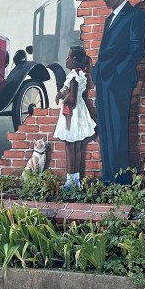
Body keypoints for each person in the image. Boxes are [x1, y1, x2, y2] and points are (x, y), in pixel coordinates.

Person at [91, 0, 145, 184]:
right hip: (104, 80)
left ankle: (120, 179)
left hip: (118, 81)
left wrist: (118, 75)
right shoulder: (110, 18)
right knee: (105, 127)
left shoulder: (135, 16)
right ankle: (108, 177)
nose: (105, 0)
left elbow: (136, 50)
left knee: (118, 128)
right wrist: (97, 72)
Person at [53, 45, 96, 189]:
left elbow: (71, 99)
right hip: (80, 111)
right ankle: (75, 180)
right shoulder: (80, 74)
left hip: (71, 112)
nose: (66, 60)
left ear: (74, 59)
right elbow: (72, 92)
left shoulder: (73, 76)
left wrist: (62, 98)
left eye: (68, 57)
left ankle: (70, 182)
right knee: (76, 147)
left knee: (69, 147)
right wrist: (63, 92)